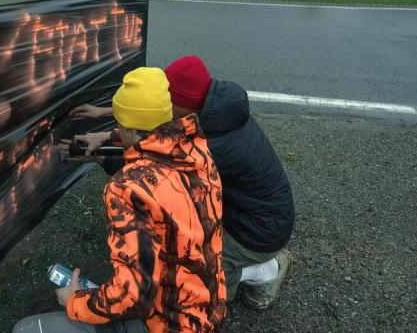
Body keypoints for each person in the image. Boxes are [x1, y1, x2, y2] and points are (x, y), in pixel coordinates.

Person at [70, 56, 295, 309]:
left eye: (166, 102)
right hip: (246, 209)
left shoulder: (207, 146)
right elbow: (155, 131)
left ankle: (265, 272)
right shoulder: (215, 110)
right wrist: (107, 133)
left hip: (257, 231)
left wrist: (103, 157)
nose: (162, 106)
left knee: (198, 273)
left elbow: (154, 174)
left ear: (183, 109)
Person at [13, 68, 227, 333]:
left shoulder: (127, 189)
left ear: (125, 124)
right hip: (208, 312)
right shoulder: (199, 152)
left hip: (168, 324)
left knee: (27, 329)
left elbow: (132, 294)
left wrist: (75, 302)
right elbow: (152, 136)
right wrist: (112, 137)